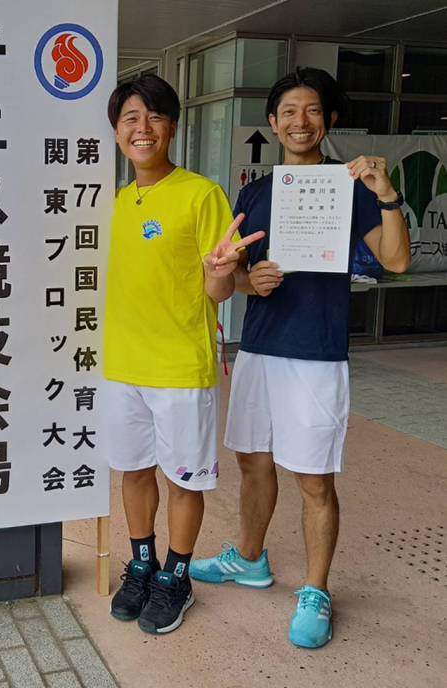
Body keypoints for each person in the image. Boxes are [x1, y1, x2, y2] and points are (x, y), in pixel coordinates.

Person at [190, 67, 410, 648]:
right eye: (288, 111)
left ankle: (316, 589)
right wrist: (249, 279)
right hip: (259, 348)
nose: (300, 121)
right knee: (253, 463)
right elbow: (234, 274)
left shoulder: (351, 186)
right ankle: (250, 559)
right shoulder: (256, 192)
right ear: (272, 122)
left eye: (312, 110)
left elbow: (396, 261)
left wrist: (386, 194)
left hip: (316, 352)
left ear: (328, 120)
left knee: (313, 479)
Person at [104, 75, 261, 635]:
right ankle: (142, 564)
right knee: (134, 471)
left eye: (154, 116)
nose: (142, 128)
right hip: (121, 364)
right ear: (117, 132)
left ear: (172, 126)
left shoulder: (201, 194)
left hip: (178, 367)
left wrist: (221, 271)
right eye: (130, 118)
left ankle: (177, 576)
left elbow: (220, 289)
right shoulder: (116, 201)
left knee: (183, 480)